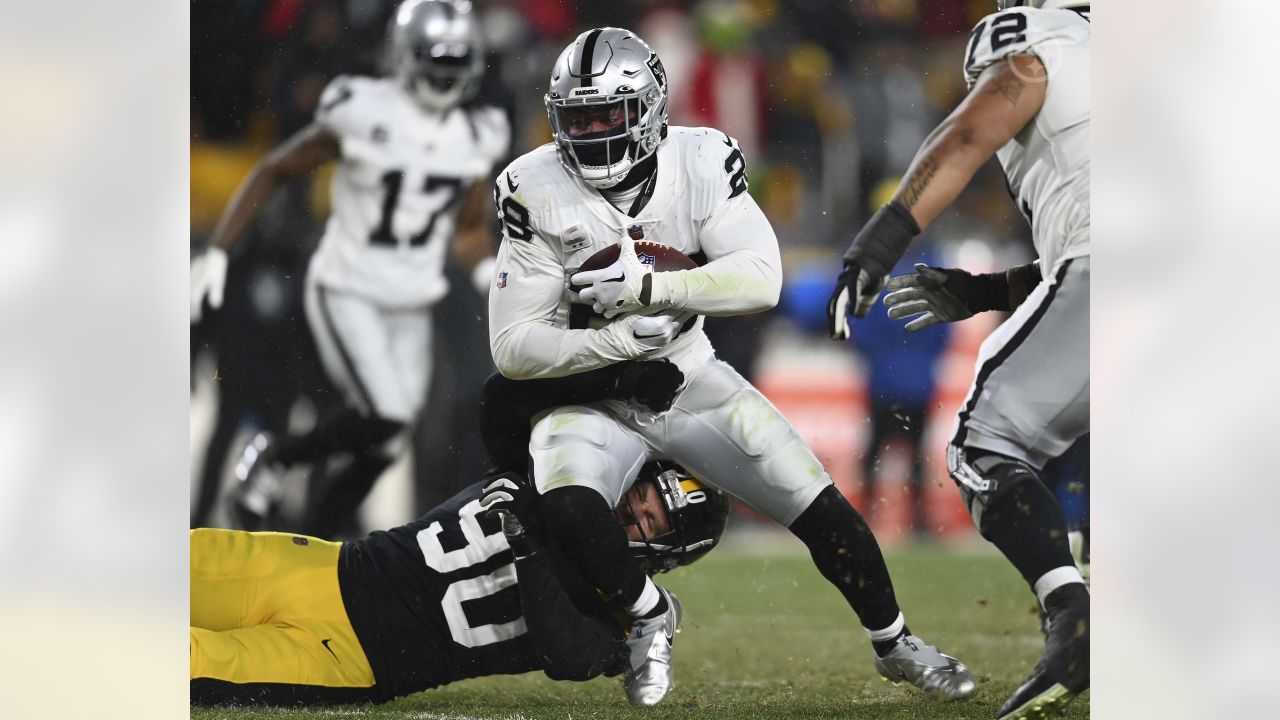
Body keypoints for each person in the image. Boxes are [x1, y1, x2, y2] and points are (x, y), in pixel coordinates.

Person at [488, 27, 975, 708]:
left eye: (608, 115)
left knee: (817, 503)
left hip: (688, 375)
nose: (594, 132)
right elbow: (512, 348)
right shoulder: (532, 186)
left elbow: (761, 279)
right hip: (591, 395)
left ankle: (896, 643)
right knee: (567, 502)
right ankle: (649, 614)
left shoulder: (703, 159)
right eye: (579, 118)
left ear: (652, 109)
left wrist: (651, 291)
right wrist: (622, 353)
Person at [826, 3, 1090, 718]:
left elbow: (971, 131)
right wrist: (985, 290)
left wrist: (880, 240)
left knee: (985, 444)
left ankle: (1075, 624)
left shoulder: (1045, 40)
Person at [191, 359, 727, 706]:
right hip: (324, 565)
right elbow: (502, 394)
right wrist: (615, 381)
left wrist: (528, 546)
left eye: (647, 519)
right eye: (638, 496)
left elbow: (567, 653)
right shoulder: (558, 479)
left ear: (665, 552)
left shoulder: (621, 611)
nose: (628, 513)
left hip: (345, 654)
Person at [188, 0, 510, 536]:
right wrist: (220, 247)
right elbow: (275, 168)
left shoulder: (477, 134)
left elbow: (470, 228)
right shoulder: (364, 108)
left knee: (386, 443)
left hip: (413, 298)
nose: (447, 75)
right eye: (437, 61)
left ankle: (320, 544)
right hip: (349, 286)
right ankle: (276, 457)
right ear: (406, 57)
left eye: (458, 62)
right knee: (385, 415)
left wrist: (489, 278)